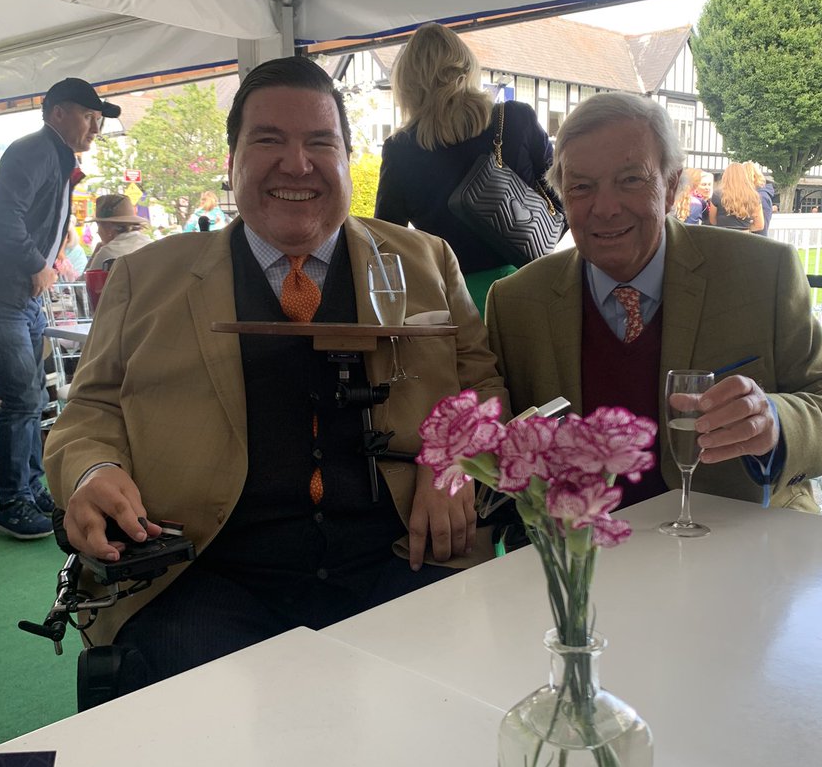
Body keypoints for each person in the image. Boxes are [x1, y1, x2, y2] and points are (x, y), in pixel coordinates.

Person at [44, 55, 507, 687]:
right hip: (210, 577)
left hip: (402, 558)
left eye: (322, 142)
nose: (297, 164)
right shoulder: (144, 278)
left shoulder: (427, 260)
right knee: (210, 714)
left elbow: (483, 387)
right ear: (232, 159)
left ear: (348, 156)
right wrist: (93, 470)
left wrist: (453, 456)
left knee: (438, 698)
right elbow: (90, 413)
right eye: (269, 141)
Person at [485, 91, 822, 513]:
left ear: (670, 187)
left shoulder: (762, 272)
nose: (605, 207)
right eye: (581, 187)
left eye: (631, 180)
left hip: (740, 540)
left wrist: (774, 419)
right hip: (587, 557)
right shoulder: (516, 302)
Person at [0, 77, 120, 540]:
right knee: (23, 399)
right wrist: (35, 263)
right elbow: (1, 217)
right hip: (1, 297)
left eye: (98, 121)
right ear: (58, 113)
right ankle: (13, 501)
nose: (95, 129)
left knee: (32, 397)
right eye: (89, 117)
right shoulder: (34, 152)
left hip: (18, 299)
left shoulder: (54, 158)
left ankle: (29, 487)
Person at [374, 23, 561, 312]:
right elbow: (563, 187)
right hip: (530, 283)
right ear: (467, 67)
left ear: (408, 83)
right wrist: (546, 245)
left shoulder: (400, 149)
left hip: (452, 297)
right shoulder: (515, 118)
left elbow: (387, 240)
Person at [86, 194, 151, 269]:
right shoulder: (150, 244)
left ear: (107, 227)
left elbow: (86, 280)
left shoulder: (107, 253)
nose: (97, 232)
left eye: (98, 225)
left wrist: (94, 256)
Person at [708, 162, 765, 232]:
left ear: (726, 176)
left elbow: (712, 221)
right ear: (745, 176)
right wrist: (746, 229)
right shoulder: (754, 196)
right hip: (744, 237)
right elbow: (759, 225)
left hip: (723, 235)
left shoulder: (717, 194)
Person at [744, 162, 774, 235]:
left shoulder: (761, 197)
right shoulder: (760, 195)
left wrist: (742, 227)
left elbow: (761, 227)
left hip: (757, 242)